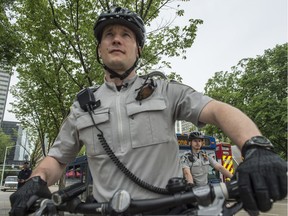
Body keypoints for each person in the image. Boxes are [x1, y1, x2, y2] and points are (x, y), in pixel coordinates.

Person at [9, 6, 287, 215]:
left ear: (138, 49)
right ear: (100, 49)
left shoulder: (165, 90)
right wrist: (35, 181)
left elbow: (217, 110)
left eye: (125, 35)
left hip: (170, 208)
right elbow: (57, 158)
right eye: (109, 35)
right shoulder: (81, 105)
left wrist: (256, 147)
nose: (116, 40)